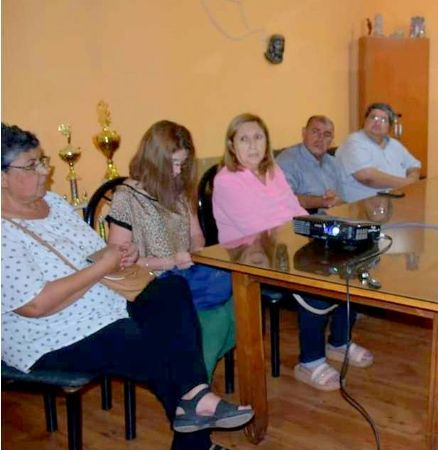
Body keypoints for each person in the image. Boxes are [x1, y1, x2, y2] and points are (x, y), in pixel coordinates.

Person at [0, 123, 252, 450]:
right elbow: (34, 306)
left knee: (172, 291)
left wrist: (122, 255)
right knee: (157, 345)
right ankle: (197, 432)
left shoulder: (54, 204)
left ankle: (196, 399)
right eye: (33, 165)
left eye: (43, 160)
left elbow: (97, 252)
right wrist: (104, 265)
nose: (46, 170)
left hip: (103, 301)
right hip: (51, 334)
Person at [212, 113, 374, 392]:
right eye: (244, 139)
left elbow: (295, 210)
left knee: (351, 260)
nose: (253, 146)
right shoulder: (227, 180)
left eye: (258, 138)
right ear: (231, 145)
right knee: (315, 283)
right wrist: (302, 236)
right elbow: (256, 227)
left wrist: (314, 229)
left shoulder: (272, 170)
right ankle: (309, 362)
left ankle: (339, 342)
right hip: (249, 258)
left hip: (283, 245)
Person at [107, 120, 235, 381]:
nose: (178, 172)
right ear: (154, 160)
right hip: (152, 281)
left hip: (184, 272)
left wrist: (197, 252)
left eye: (182, 164)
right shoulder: (125, 197)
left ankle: (193, 382)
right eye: (173, 164)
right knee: (221, 309)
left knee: (234, 285)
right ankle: (195, 384)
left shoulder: (177, 192)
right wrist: (170, 261)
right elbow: (117, 263)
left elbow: (196, 234)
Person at [336, 102, 421, 202]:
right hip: (363, 209)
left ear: (390, 127)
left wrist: (413, 178)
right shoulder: (354, 142)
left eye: (383, 120)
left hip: (394, 204)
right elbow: (367, 177)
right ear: (365, 121)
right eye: (373, 117)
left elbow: (414, 166)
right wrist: (407, 184)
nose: (377, 122)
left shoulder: (394, 144)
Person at [275, 115, 342, 212]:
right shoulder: (287, 161)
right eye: (315, 132)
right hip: (299, 222)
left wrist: (337, 200)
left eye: (326, 134)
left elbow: (343, 199)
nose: (320, 138)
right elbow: (283, 199)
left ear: (332, 140)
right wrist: (322, 201)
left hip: (332, 220)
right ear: (304, 133)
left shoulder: (333, 163)